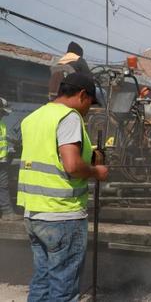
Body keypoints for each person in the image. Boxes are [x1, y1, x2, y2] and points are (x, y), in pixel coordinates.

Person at [18, 73, 108, 301]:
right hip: (62, 215)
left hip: (34, 214)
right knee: (63, 289)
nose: (89, 108)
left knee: (42, 281)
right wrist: (97, 171)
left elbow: (50, 156)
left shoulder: (33, 118)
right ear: (82, 95)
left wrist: (91, 155)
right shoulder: (69, 117)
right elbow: (71, 165)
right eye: (90, 102)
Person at [0, 98, 21, 220]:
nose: (4, 115)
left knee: (3, 186)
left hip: (2, 161)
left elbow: (3, 140)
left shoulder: (1, 124)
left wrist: (12, 142)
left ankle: (7, 212)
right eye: (2, 112)